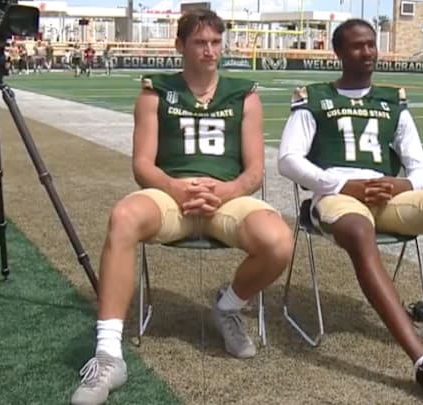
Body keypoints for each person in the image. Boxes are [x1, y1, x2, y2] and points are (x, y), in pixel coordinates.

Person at [70, 9, 293, 405]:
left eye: (215, 42)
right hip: (171, 197)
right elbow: (142, 165)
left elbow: (255, 171)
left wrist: (224, 192)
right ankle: (108, 354)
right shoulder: (155, 91)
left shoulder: (245, 94)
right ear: (180, 46)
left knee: (278, 242)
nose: (209, 51)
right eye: (199, 43)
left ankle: (227, 307)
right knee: (123, 217)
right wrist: (175, 187)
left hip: (227, 198)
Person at [278, 18, 423, 405]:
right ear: (338, 52)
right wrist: (340, 185)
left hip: (390, 195)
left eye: (371, 44)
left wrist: (401, 185)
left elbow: (420, 168)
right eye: (357, 46)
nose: (368, 52)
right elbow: (288, 161)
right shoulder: (314, 98)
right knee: (358, 230)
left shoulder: (393, 102)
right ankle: (422, 360)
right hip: (338, 195)